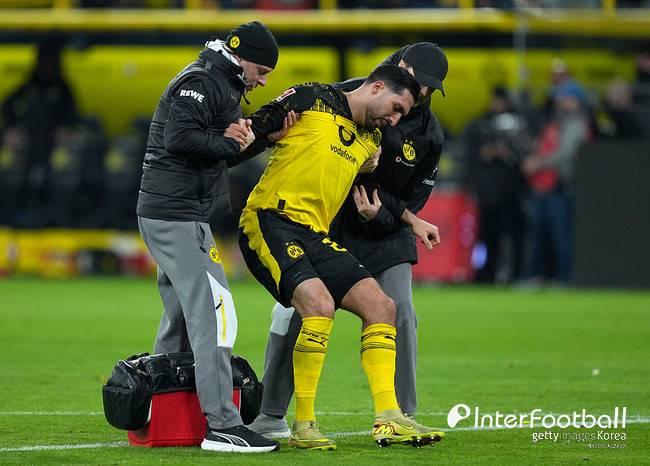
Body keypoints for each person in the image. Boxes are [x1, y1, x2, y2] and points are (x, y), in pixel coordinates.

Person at [235, 64, 443, 450]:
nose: (395, 120)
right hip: (270, 220)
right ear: (377, 87)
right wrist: (263, 136)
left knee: (383, 307)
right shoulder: (311, 97)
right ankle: (303, 424)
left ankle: (389, 417)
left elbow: (378, 192)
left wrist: (412, 219)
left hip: (315, 234)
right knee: (318, 306)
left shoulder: (371, 141)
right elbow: (249, 132)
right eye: (396, 108)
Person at [135, 21, 284, 453]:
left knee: (182, 317)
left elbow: (213, 151)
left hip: (177, 213)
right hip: (176, 214)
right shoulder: (201, 82)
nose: (263, 80)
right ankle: (222, 425)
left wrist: (258, 139)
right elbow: (180, 139)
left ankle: (159, 412)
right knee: (216, 314)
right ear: (242, 57)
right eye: (262, 70)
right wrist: (229, 141)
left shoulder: (217, 80)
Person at [522, 81, 590, 284]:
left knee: (561, 235)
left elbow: (566, 154)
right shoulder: (557, 121)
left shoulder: (576, 123)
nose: (560, 102)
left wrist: (538, 163)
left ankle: (564, 277)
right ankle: (538, 275)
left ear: (576, 101)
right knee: (540, 234)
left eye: (565, 98)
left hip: (560, 185)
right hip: (543, 185)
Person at [463, 86, 530, 284]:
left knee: (514, 237)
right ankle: (484, 274)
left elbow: (527, 151)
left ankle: (516, 275)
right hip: (488, 193)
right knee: (486, 237)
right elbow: (472, 154)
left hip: (513, 193)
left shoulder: (520, 122)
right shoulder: (481, 124)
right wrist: (490, 152)